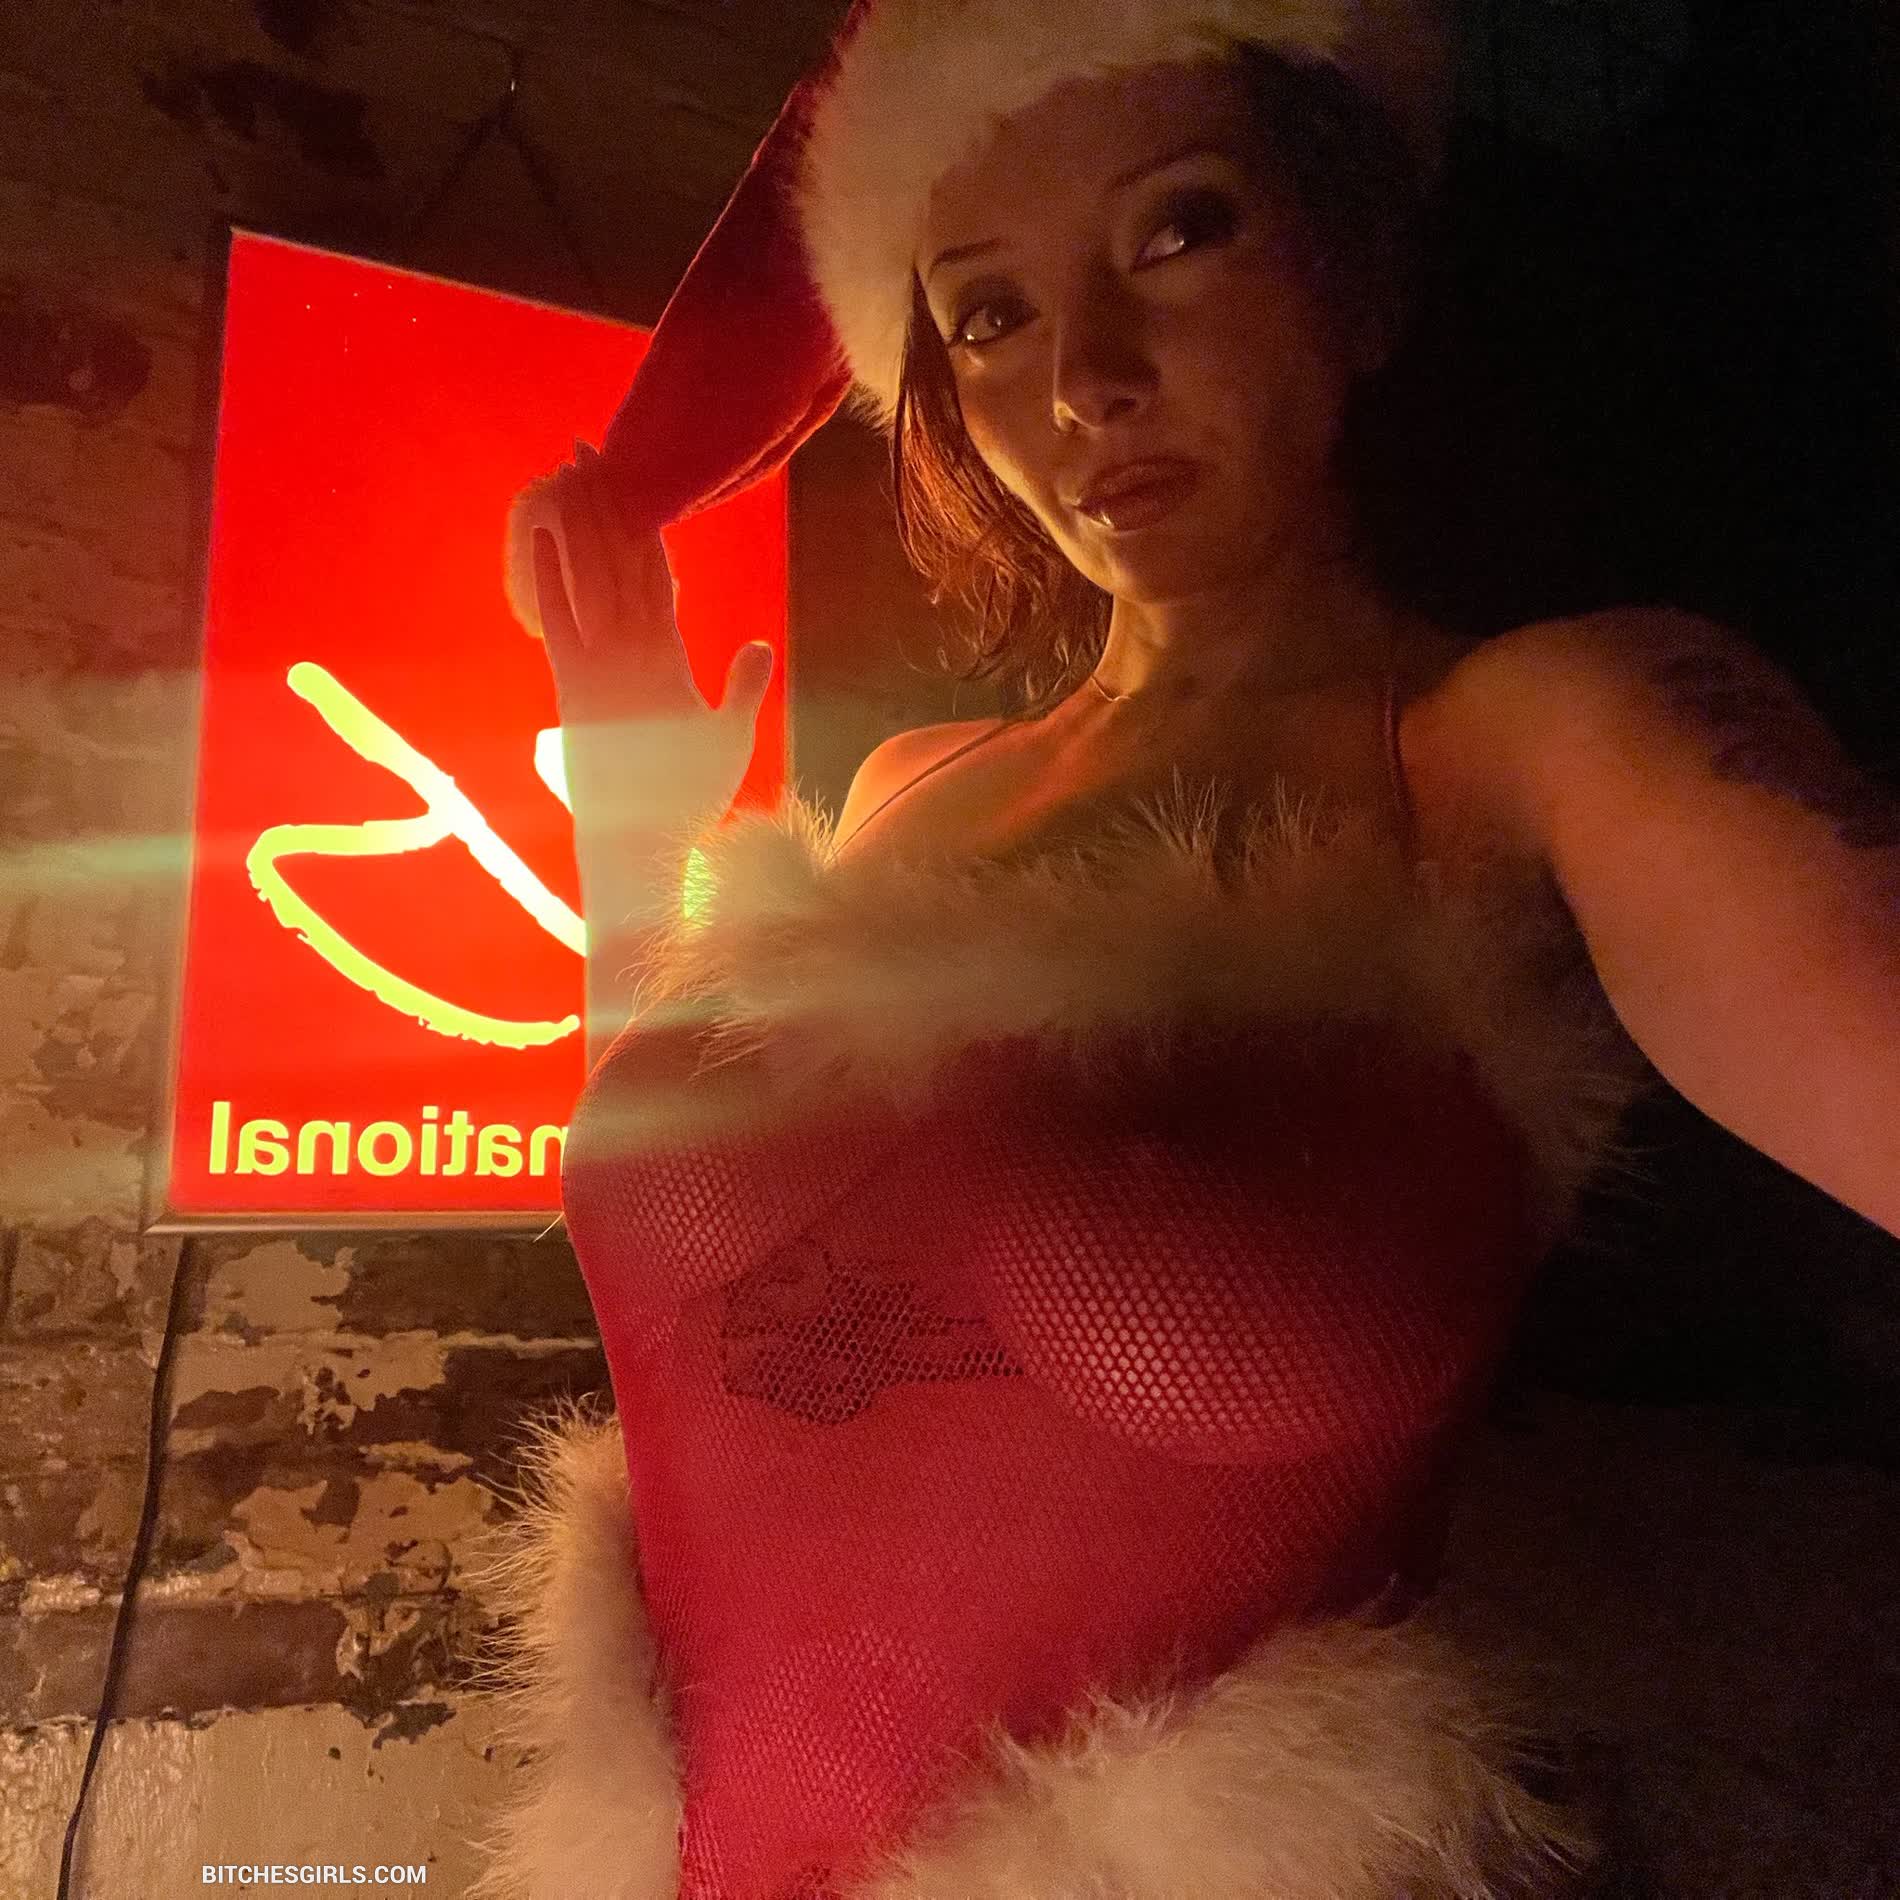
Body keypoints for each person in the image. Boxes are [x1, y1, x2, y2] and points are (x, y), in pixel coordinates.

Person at [470, 3, 1900, 1897]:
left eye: (1178, 230)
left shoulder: (1519, 752)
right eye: (990, 313)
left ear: (1357, 276)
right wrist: (635, 806)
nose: (1086, 378)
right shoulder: (898, 794)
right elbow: (705, 1270)